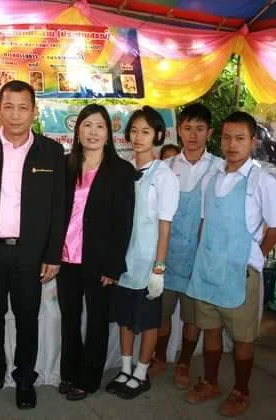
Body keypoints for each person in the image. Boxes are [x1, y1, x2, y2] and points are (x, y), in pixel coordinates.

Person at [0, 80, 65, 410]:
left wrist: (53, 254)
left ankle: (25, 380)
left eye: (23, 108)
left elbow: (58, 207)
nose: (15, 115)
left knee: (27, 318)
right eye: (8, 107)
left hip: (30, 253)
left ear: (34, 112)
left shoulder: (51, 151)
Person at [185, 111, 276, 417]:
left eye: (240, 138)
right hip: (208, 268)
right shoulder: (212, 178)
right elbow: (206, 222)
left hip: (240, 272)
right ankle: (210, 382)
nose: (232, 144)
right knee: (210, 330)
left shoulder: (262, 181)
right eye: (227, 137)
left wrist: (256, 255)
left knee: (242, 337)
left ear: (253, 142)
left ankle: (241, 390)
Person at [57, 104, 135, 401]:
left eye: (99, 126)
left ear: (108, 133)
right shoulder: (65, 166)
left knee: (97, 322)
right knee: (69, 319)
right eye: (87, 125)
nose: (93, 132)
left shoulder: (120, 171)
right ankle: (69, 372)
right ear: (77, 130)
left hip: (100, 260)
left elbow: (123, 222)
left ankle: (88, 379)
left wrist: (113, 266)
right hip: (66, 258)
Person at [106, 106, 179, 399]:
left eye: (145, 131)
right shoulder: (124, 170)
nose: (138, 137)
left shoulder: (164, 175)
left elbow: (165, 226)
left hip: (149, 260)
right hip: (124, 258)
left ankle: (141, 372)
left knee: (148, 320)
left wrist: (159, 268)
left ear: (158, 135)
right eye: (134, 131)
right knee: (125, 317)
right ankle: (125, 368)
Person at [150, 103, 223, 389]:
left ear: (209, 133)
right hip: (167, 255)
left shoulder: (219, 168)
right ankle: (159, 358)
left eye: (200, 129)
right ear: (179, 131)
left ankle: (184, 363)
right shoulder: (165, 167)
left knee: (193, 319)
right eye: (188, 128)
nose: (193, 135)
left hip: (199, 259)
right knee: (162, 313)